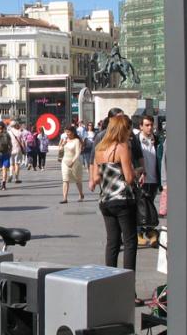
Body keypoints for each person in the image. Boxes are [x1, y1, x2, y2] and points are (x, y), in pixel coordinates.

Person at [89, 114, 138, 273]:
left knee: (112, 242)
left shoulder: (99, 149)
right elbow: (129, 178)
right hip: (122, 199)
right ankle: (129, 288)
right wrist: (136, 171)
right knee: (130, 242)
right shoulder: (122, 147)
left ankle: (110, 282)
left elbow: (96, 177)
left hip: (105, 201)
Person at [137, 114, 161, 244]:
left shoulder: (157, 140)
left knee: (149, 207)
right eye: (147, 125)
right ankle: (142, 232)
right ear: (141, 126)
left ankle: (147, 231)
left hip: (154, 180)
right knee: (141, 207)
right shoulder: (136, 140)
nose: (150, 127)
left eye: (151, 125)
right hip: (140, 180)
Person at [59, 126, 85, 203]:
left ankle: (81, 194)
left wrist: (73, 161)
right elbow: (60, 150)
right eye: (66, 132)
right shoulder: (65, 140)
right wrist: (62, 144)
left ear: (73, 132)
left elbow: (78, 152)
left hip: (75, 163)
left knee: (78, 180)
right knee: (65, 180)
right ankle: (65, 198)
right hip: (65, 162)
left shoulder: (77, 140)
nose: (67, 134)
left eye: (68, 132)